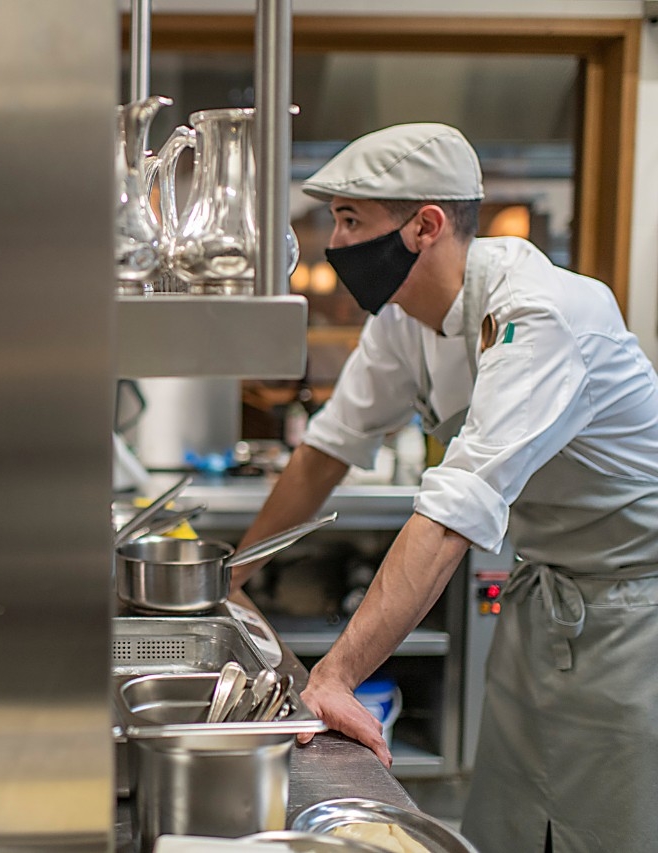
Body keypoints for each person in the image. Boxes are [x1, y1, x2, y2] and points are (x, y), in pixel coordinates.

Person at [232, 123, 658, 853]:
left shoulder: (544, 314)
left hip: (633, 626)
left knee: (608, 830)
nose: (334, 243)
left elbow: (455, 507)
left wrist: (335, 676)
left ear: (425, 225)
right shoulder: (405, 319)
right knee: (509, 824)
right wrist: (232, 577)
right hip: (542, 615)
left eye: (350, 220)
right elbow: (325, 451)